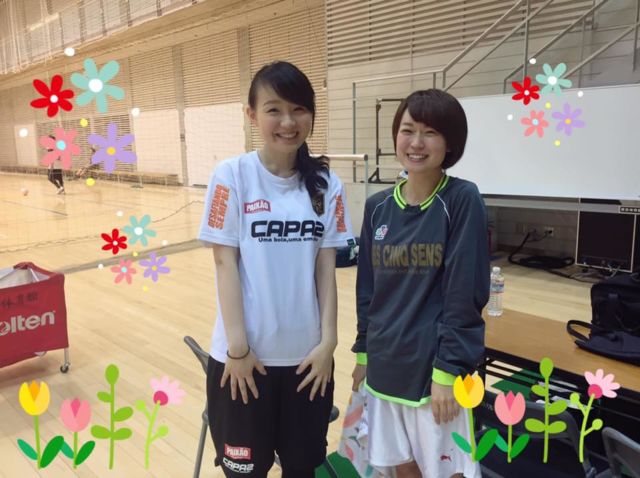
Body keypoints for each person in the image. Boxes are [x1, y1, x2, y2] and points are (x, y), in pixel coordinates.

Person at [198, 61, 353, 478]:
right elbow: (224, 263)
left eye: (299, 109)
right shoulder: (231, 176)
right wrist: (238, 350)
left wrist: (328, 344)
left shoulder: (327, 184)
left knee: (302, 469)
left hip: (308, 364)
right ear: (251, 115)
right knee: (245, 473)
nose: (288, 122)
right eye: (274, 110)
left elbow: (326, 270)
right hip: (244, 363)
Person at [351, 89, 490, 478]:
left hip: (433, 373)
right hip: (384, 367)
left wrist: (446, 372)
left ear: (450, 143)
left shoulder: (462, 199)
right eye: (408, 130)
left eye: (430, 133)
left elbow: (464, 293)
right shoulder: (377, 206)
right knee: (403, 467)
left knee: (449, 472)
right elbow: (368, 290)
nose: (416, 143)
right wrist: (363, 354)